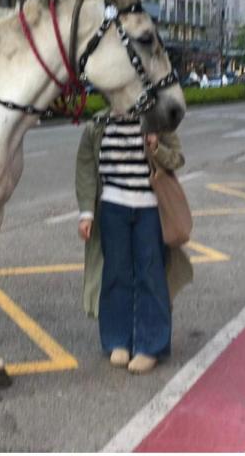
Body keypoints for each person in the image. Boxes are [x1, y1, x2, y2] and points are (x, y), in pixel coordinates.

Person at [75, 107, 191, 375]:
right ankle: (118, 340)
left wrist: (156, 147)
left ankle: (150, 346)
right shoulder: (99, 123)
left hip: (150, 209)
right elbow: (86, 169)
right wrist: (86, 213)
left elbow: (177, 159)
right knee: (116, 275)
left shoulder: (157, 120)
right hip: (112, 208)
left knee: (151, 276)